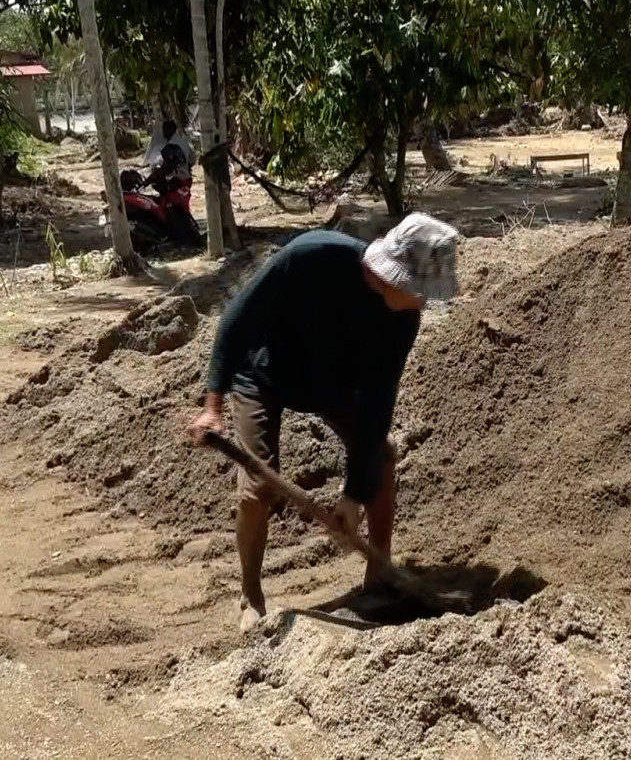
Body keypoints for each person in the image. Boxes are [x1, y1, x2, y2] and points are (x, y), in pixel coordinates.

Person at [187, 213, 462, 631]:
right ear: (397, 276)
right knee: (258, 488)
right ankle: (250, 596)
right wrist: (213, 407)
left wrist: (353, 496)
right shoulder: (312, 256)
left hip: (331, 385)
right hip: (261, 374)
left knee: (381, 458)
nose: (425, 302)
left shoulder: (403, 320)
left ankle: (380, 573)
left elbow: (378, 404)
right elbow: (236, 321)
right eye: (422, 292)